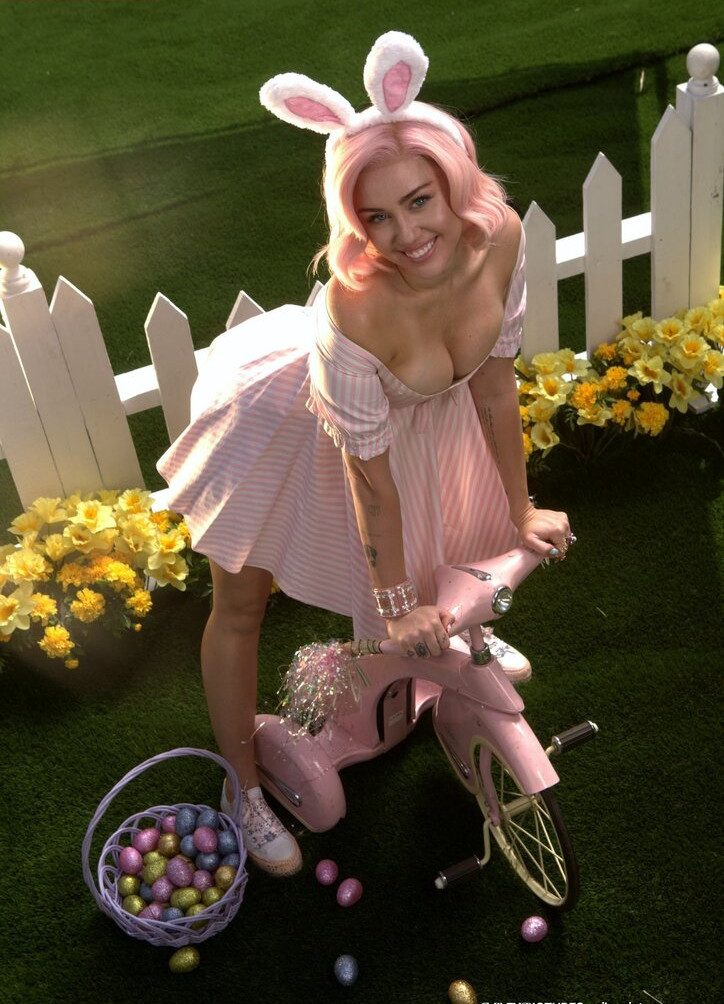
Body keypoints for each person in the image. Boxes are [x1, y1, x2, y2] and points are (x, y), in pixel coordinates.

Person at [157, 31, 572, 877]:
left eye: (419, 201)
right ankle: (244, 784)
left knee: (448, 538)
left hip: (417, 421)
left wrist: (521, 509)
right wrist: (395, 606)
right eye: (374, 217)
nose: (404, 235)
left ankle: (448, 654)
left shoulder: (499, 238)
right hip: (291, 428)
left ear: (455, 182)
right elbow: (369, 482)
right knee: (242, 603)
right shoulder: (357, 309)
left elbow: (495, 388)